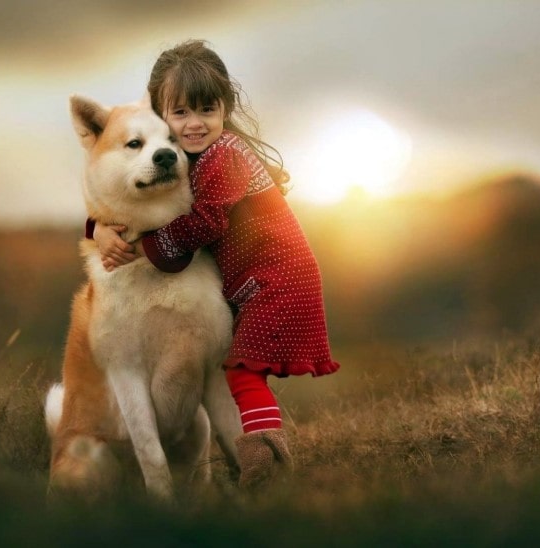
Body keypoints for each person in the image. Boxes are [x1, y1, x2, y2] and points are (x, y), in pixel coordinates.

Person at [89, 39, 340, 489]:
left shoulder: (222, 155)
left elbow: (200, 225)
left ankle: (266, 467)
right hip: (263, 281)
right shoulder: (184, 155)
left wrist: (142, 249)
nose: (194, 124)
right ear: (161, 114)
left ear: (225, 107)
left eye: (206, 109)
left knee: (241, 371)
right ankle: (256, 461)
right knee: (240, 371)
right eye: (181, 112)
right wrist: (97, 229)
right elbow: (130, 202)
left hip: (276, 280)